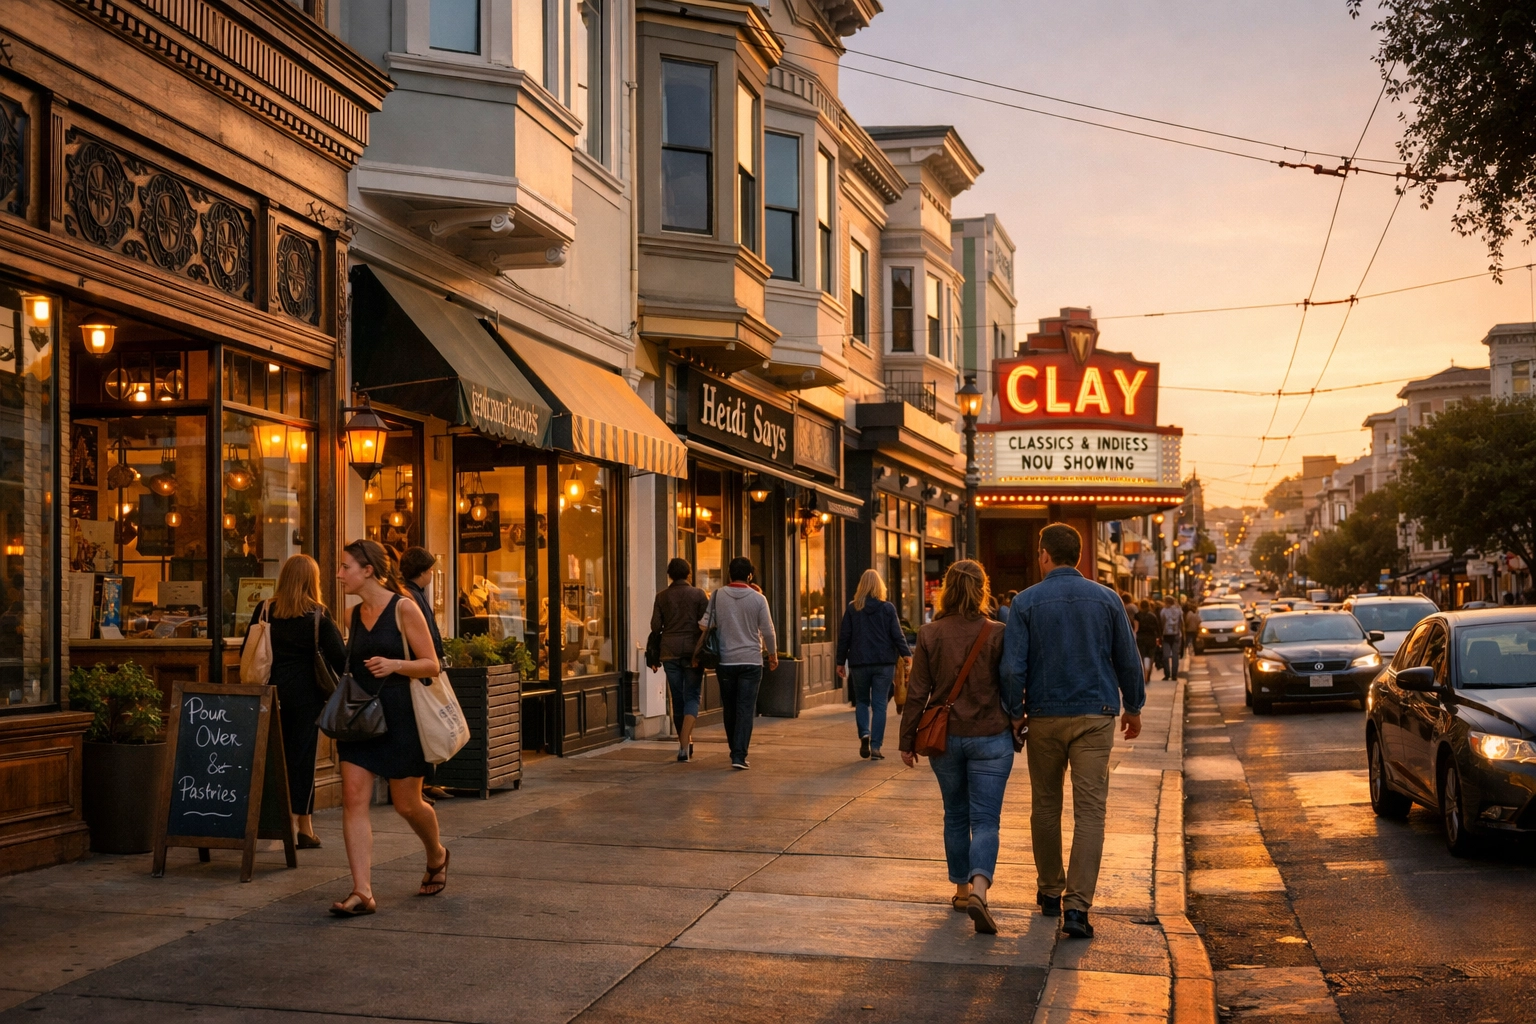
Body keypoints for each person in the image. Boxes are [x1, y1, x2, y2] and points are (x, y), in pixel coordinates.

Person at [1001, 523, 1144, 940]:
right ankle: (1077, 908)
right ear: (1080, 556)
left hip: (1043, 714)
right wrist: (1133, 707)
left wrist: (1014, 711)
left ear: (1044, 554)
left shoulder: (1025, 602)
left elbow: (1013, 666)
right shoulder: (1108, 600)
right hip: (1095, 714)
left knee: (1045, 806)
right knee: (1090, 812)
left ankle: (1049, 892)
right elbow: (1128, 660)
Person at [330, 539, 449, 917]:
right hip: (360, 715)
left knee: (407, 804)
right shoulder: (352, 614)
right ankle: (362, 892)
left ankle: (437, 853)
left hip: (399, 714)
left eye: (345, 566)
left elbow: (431, 664)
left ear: (367, 570)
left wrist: (397, 664)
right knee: (353, 798)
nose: (339, 574)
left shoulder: (404, 608)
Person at [899, 560, 1013, 935]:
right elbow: (1010, 683)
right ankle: (981, 887)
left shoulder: (930, 634)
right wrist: (1016, 717)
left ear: (945, 589)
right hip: (991, 735)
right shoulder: (997, 632)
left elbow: (917, 692)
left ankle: (962, 891)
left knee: (955, 814)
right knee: (986, 819)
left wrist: (907, 740)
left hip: (944, 738)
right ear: (982, 590)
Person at [242, 554, 345, 849]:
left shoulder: (265, 609)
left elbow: (248, 652)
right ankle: (301, 826)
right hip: (305, 699)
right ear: (313, 581)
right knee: (301, 762)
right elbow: (340, 659)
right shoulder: (318, 616)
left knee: (270, 759)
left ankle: (282, 823)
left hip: (267, 695)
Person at [702, 556, 777, 770]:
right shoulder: (758, 599)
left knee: (730, 707)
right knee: (745, 707)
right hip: (751, 661)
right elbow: (769, 631)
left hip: (725, 661)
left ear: (729, 574)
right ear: (750, 576)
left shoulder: (717, 596)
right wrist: (772, 655)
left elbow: (704, 624)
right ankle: (739, 755)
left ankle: (733, 749)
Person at [835, 569, 911, 760]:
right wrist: (906, 654)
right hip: (884, 663)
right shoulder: (887, 608)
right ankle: (876, 747)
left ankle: (865, 734)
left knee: (861, 701)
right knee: (880, 705)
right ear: (880, 587)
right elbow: (897, 634)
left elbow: (845, 637)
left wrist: (839, 662)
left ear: (861, 586)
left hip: (859, 662)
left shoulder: (853, 608)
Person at [400, 547, 451, 802]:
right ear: (423, 572)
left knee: (428, 723)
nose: (432, 575)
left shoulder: (414, 594)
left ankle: (427, 782)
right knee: (424, 724)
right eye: (430, 570)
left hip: (422, 667)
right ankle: (418, 787)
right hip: (418, 670)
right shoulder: (409, 596)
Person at [651, 558, 708, 762]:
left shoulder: (662, 597)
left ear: (670, 575)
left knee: (677, 698)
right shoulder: (699, 594)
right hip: (693, 651)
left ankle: (683, 744)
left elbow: (655, 626)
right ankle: (685, 742)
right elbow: (707, 623)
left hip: (670, 651)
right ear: (688, 574)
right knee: (692, 696)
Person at [1135, 599, 1161, 680]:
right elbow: (1158, 628)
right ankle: (1148, 674)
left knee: (1141, 656)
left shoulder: (1137, 615)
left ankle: (1143, 674)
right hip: (1151, 638)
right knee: (1151, 656)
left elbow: (1136, 628)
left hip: (1141, 638)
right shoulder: (1153, 616)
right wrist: (1159, 638)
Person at [1159, 596, 1182, 681]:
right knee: (1175, 656)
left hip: (1166, 635)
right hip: (1176, 634)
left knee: (1166, 656)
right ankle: (1174, 675)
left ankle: (1167, 674)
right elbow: (1181, 622)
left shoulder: (1163, 611)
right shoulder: (1179, 610)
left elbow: (1162, 622)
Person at [1182, 601, 1202, 665]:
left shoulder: (1188, 614)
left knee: (1187, 641)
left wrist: (1186, 626)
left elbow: (1187, 621)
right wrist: (1197, 626)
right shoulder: (1196, 614)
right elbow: (1199, 620)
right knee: (1194, 641)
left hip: (1189, 629)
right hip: (1194, 629)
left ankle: (1184, 652)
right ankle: (1196, 652)